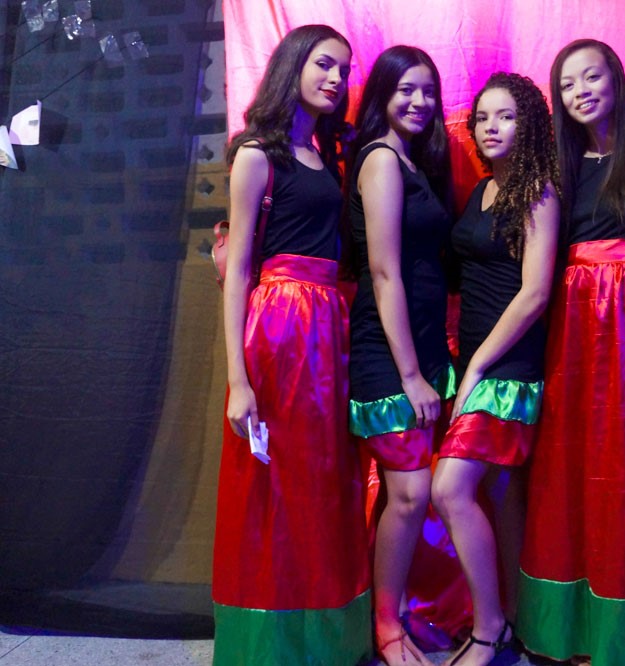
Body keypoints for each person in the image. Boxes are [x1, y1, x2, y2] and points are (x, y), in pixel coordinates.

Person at [517, 39, 625, 666]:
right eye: (567, 85)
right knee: (566, 477)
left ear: (616, 78)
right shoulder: (558, 167)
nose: (581, 92)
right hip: (572, 335)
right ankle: (568, 634)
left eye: (591, 77)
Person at [212, 25, 371, 666]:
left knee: (322, 479)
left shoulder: (324, 154)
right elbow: (238, 271)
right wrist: (239, 379)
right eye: (324, 64)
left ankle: (322, 639)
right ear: (292, 66)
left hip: (326, 325)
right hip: (279, 327)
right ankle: (272, 648)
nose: (336, 78)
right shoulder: (258, 154)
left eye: (344, 69)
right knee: (273, 485)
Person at [431, 72, 559, 666]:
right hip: (474, 359)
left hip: (506, 367)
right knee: (501, 495)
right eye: (482, 117)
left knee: (450, 488)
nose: (490, 127)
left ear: (528, 124)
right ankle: (512, 615)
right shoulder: (482, 189)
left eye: (505, 116)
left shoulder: (539, 193)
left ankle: (488, 630)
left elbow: (535, 294)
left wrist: (478, 366)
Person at [345, 45, 453, 666]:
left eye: (428, 90)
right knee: (410, 495)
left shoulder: (414, 161)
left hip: (423, 349)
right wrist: (411, 375)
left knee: (408, 496)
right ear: (383, 93)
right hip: (389, 356)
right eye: (406, 89)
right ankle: (386, 625)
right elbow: (384, 272)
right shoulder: (382, 159)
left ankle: (395, 612)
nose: (419, 101)